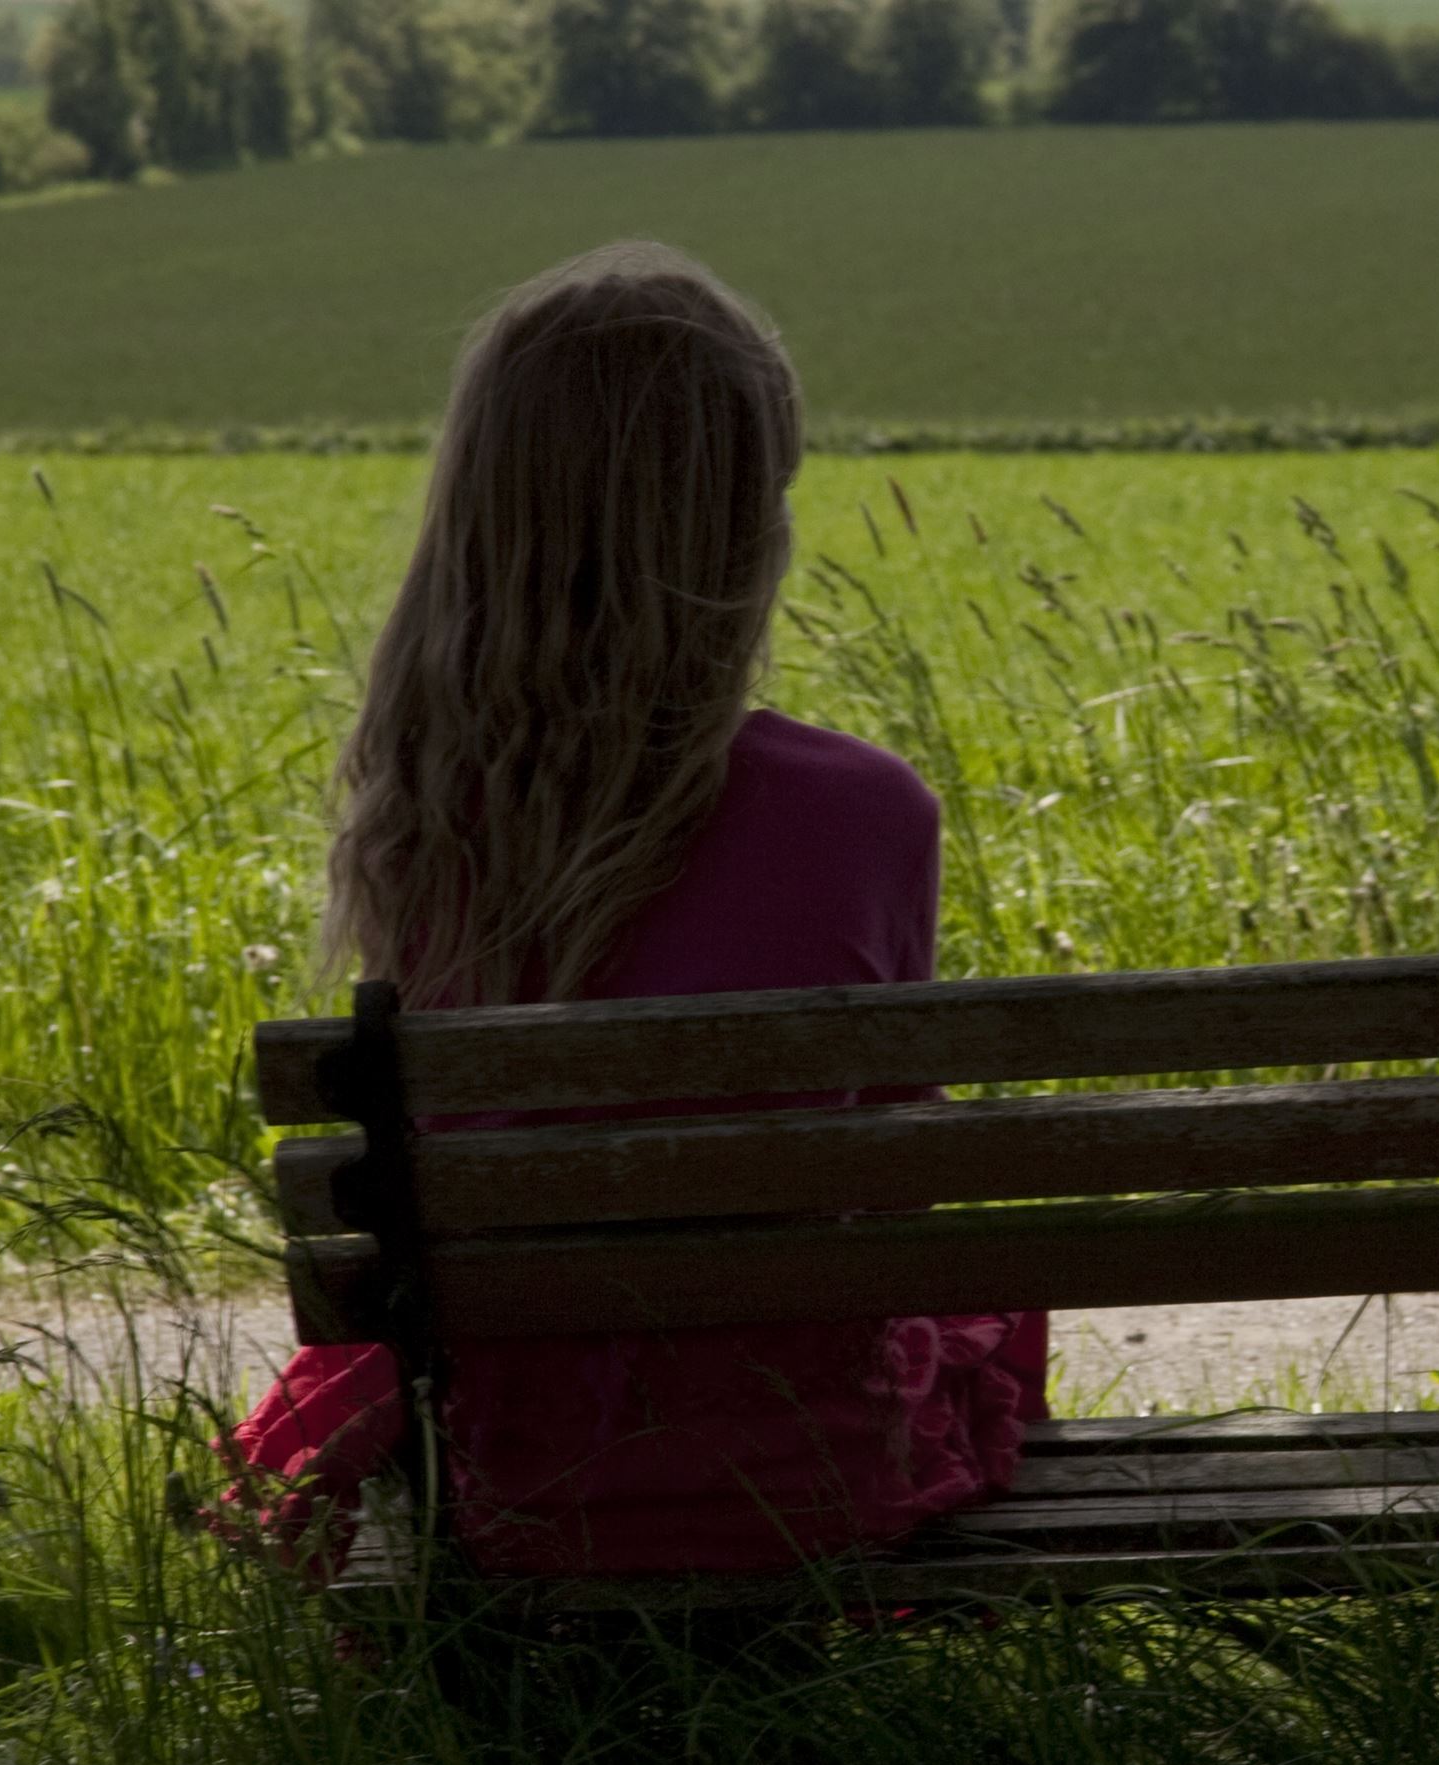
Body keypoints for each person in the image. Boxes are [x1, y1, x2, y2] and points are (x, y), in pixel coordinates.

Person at [218, 243, 1047, 1577]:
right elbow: (886, 1176)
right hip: (804, 1462)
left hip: (514, 1472)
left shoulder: (429, 816)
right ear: (744, 518)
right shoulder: (866, 811)